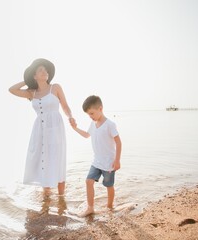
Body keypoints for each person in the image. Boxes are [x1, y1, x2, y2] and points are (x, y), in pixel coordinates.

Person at [9, 58, 74, 196]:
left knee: (57, 157)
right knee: (42, 158)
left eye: (46, 70)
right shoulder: (31, 93)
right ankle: (47, 197)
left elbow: (65, 106)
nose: (44, 71)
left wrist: (70, 117)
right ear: (35, 76)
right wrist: (27, 81)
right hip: (39, 130)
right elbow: (12, 89)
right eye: (40, 70)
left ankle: (61, 198)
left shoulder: (55, 87)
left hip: (55, 128)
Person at [70, 95, 122, 217]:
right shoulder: (93, 124)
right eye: (88, 115)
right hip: (96, 162)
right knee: (88, 181)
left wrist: (117, 160)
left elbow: (118, 142)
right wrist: (75, 128)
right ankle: (90, 208)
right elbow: (87, 135)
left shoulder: (110, 124)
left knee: (109, 185)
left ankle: (110, 207)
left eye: (92, 113)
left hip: (109, 162)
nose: (90, 117)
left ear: (100, 109)